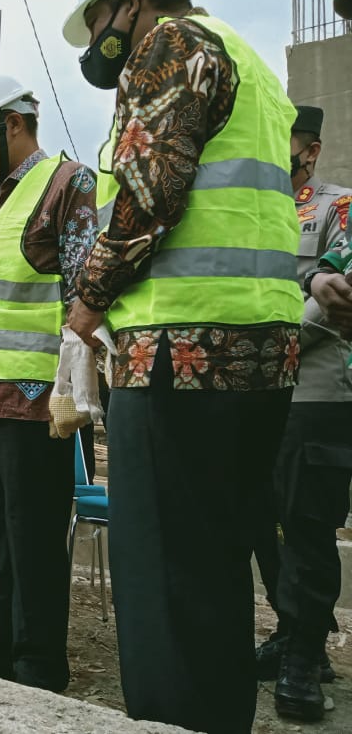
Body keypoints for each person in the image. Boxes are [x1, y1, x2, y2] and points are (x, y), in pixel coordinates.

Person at [62, 0, 304, 731]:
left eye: (99, 25)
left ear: (128, 4)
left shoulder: (167, 44)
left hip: (178, 355)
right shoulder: (246, 56)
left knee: (164, 582)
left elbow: (145, 199)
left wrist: (85, 305)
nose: (99, 44)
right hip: (259, 353)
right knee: (216, 573)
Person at [0, 73, 99, 691]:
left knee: (31, 537)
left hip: (36, 402)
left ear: (11, 124)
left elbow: (86, 288)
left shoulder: (66, 182)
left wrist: (73, 384)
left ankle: (37, 663)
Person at [251, 105, 352, 721]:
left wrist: (267, 339)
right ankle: (292, 632)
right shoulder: (253, 208)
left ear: (308, 150)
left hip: (316, 397)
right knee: (264, 523)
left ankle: (305, 656)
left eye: (285, 136)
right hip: (257, 395)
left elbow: (338, 298)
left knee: (308, 527)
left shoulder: (337, 207)